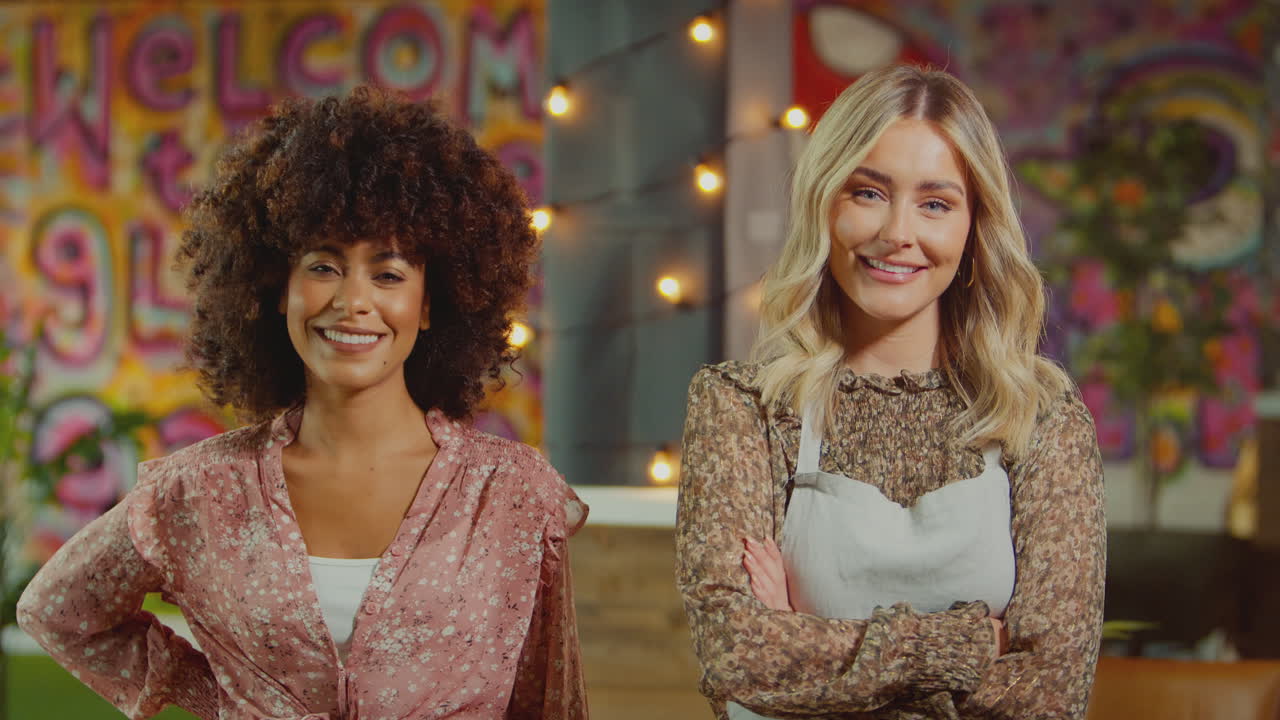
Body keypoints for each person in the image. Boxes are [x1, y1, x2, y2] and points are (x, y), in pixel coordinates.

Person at [18, 87, 588, 720]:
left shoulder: (512, 494)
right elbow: (58, 612)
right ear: (277, 287)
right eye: (324, 267)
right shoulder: (199, 491)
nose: (352, 301)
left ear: (430, 304)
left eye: (389, 273)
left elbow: (550, 701)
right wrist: (213, 697)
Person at [675, 64, 1105, 719]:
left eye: (935, 203)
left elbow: (1051, 694)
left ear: (972, 224)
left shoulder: (1040, 420)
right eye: (869, 193)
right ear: (825, 200)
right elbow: (735, 654)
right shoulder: (744, 408)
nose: (897, 232)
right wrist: (960, 647)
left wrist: (802, 636)